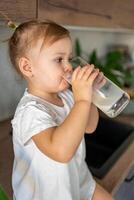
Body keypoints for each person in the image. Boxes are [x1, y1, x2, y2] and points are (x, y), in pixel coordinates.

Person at [9, 20, 114, 200]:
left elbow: (89, 126)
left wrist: (90, 96)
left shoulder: (66, 96)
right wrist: (82, 100)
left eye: (69, 58)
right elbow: (60, 151)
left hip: (78, 180)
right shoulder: (30, 111)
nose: (68, 66)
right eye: (59, 59)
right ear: (28, 67)